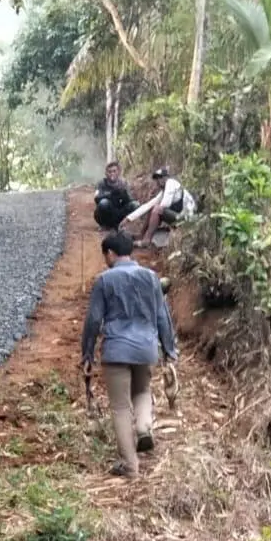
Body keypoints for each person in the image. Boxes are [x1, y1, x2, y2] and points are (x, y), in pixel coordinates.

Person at [81, 232, 178, 478]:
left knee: (121, 406)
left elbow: (93, 320)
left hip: (117, 348)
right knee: (143, 391)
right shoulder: (151, 277)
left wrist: (87, 353)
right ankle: (144, 426)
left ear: (110, 254)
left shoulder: (104, 281)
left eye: (105, 256)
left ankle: (131, 466)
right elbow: (162, 316)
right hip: (146, 347)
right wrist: (169, 350)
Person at [129, 167, 197, 247]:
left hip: (186, 220)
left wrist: (155, 212)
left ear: (166, 177)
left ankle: (146, 241)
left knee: (157, 209)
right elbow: (148, 206)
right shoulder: (163, 191)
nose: (158, 181)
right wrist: (128, 218)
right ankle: (141, 235)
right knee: (154, 208)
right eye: (157, 179)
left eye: (160, 178)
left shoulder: (171, 183)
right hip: (179, 218)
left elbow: (165, 204)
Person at [93, 161, 139, 231]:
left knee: (135, 204)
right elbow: (96, 198)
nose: (112, 173)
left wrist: (124, 194)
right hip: (106, 212)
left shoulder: (124, 183)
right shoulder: (101, 183)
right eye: (109, 172)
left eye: (114, 171)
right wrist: (110, 194)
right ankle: (104, 225)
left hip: (119, 212)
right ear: (106, 173)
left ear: (118, 172)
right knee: (103, 203)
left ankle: (123, 224)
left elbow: (130, 200)